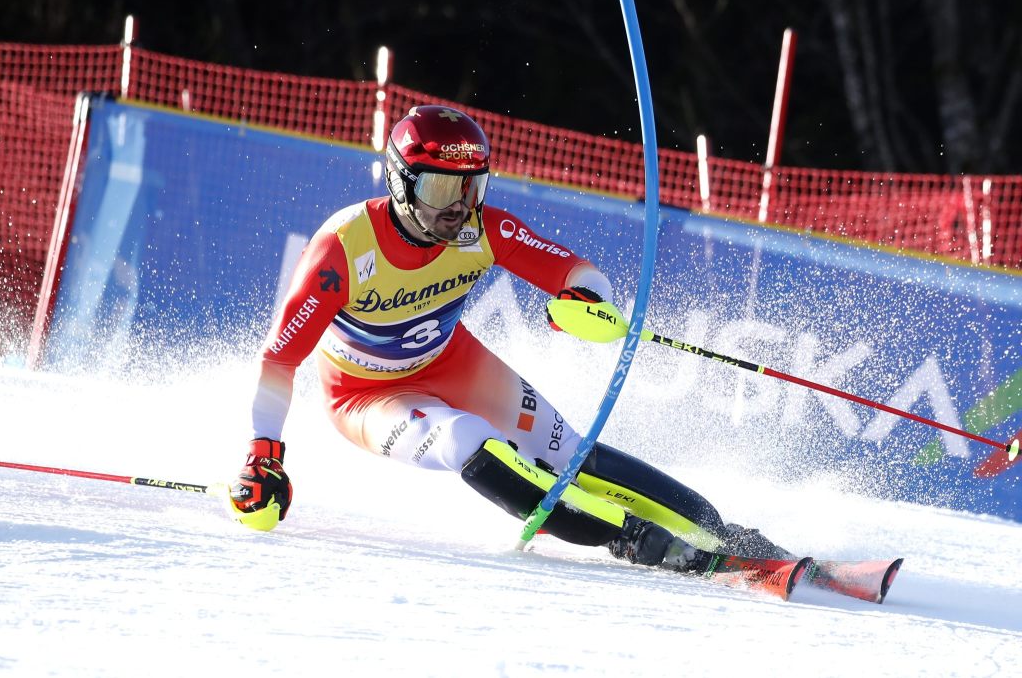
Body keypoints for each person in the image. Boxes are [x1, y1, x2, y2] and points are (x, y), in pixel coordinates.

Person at [228, 104, 789, 570]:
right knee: (464, 438)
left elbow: (579, 272)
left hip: (451, 362)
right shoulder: (343, 248)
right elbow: (279, 359)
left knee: (568, 453)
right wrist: (263, 454)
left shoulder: (481, 228)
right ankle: (635, 540)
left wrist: (582, 300)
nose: (458, 206)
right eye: (441, 186)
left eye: (471, 186)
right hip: (366, 394)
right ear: (400, 182)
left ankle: (726, 534)